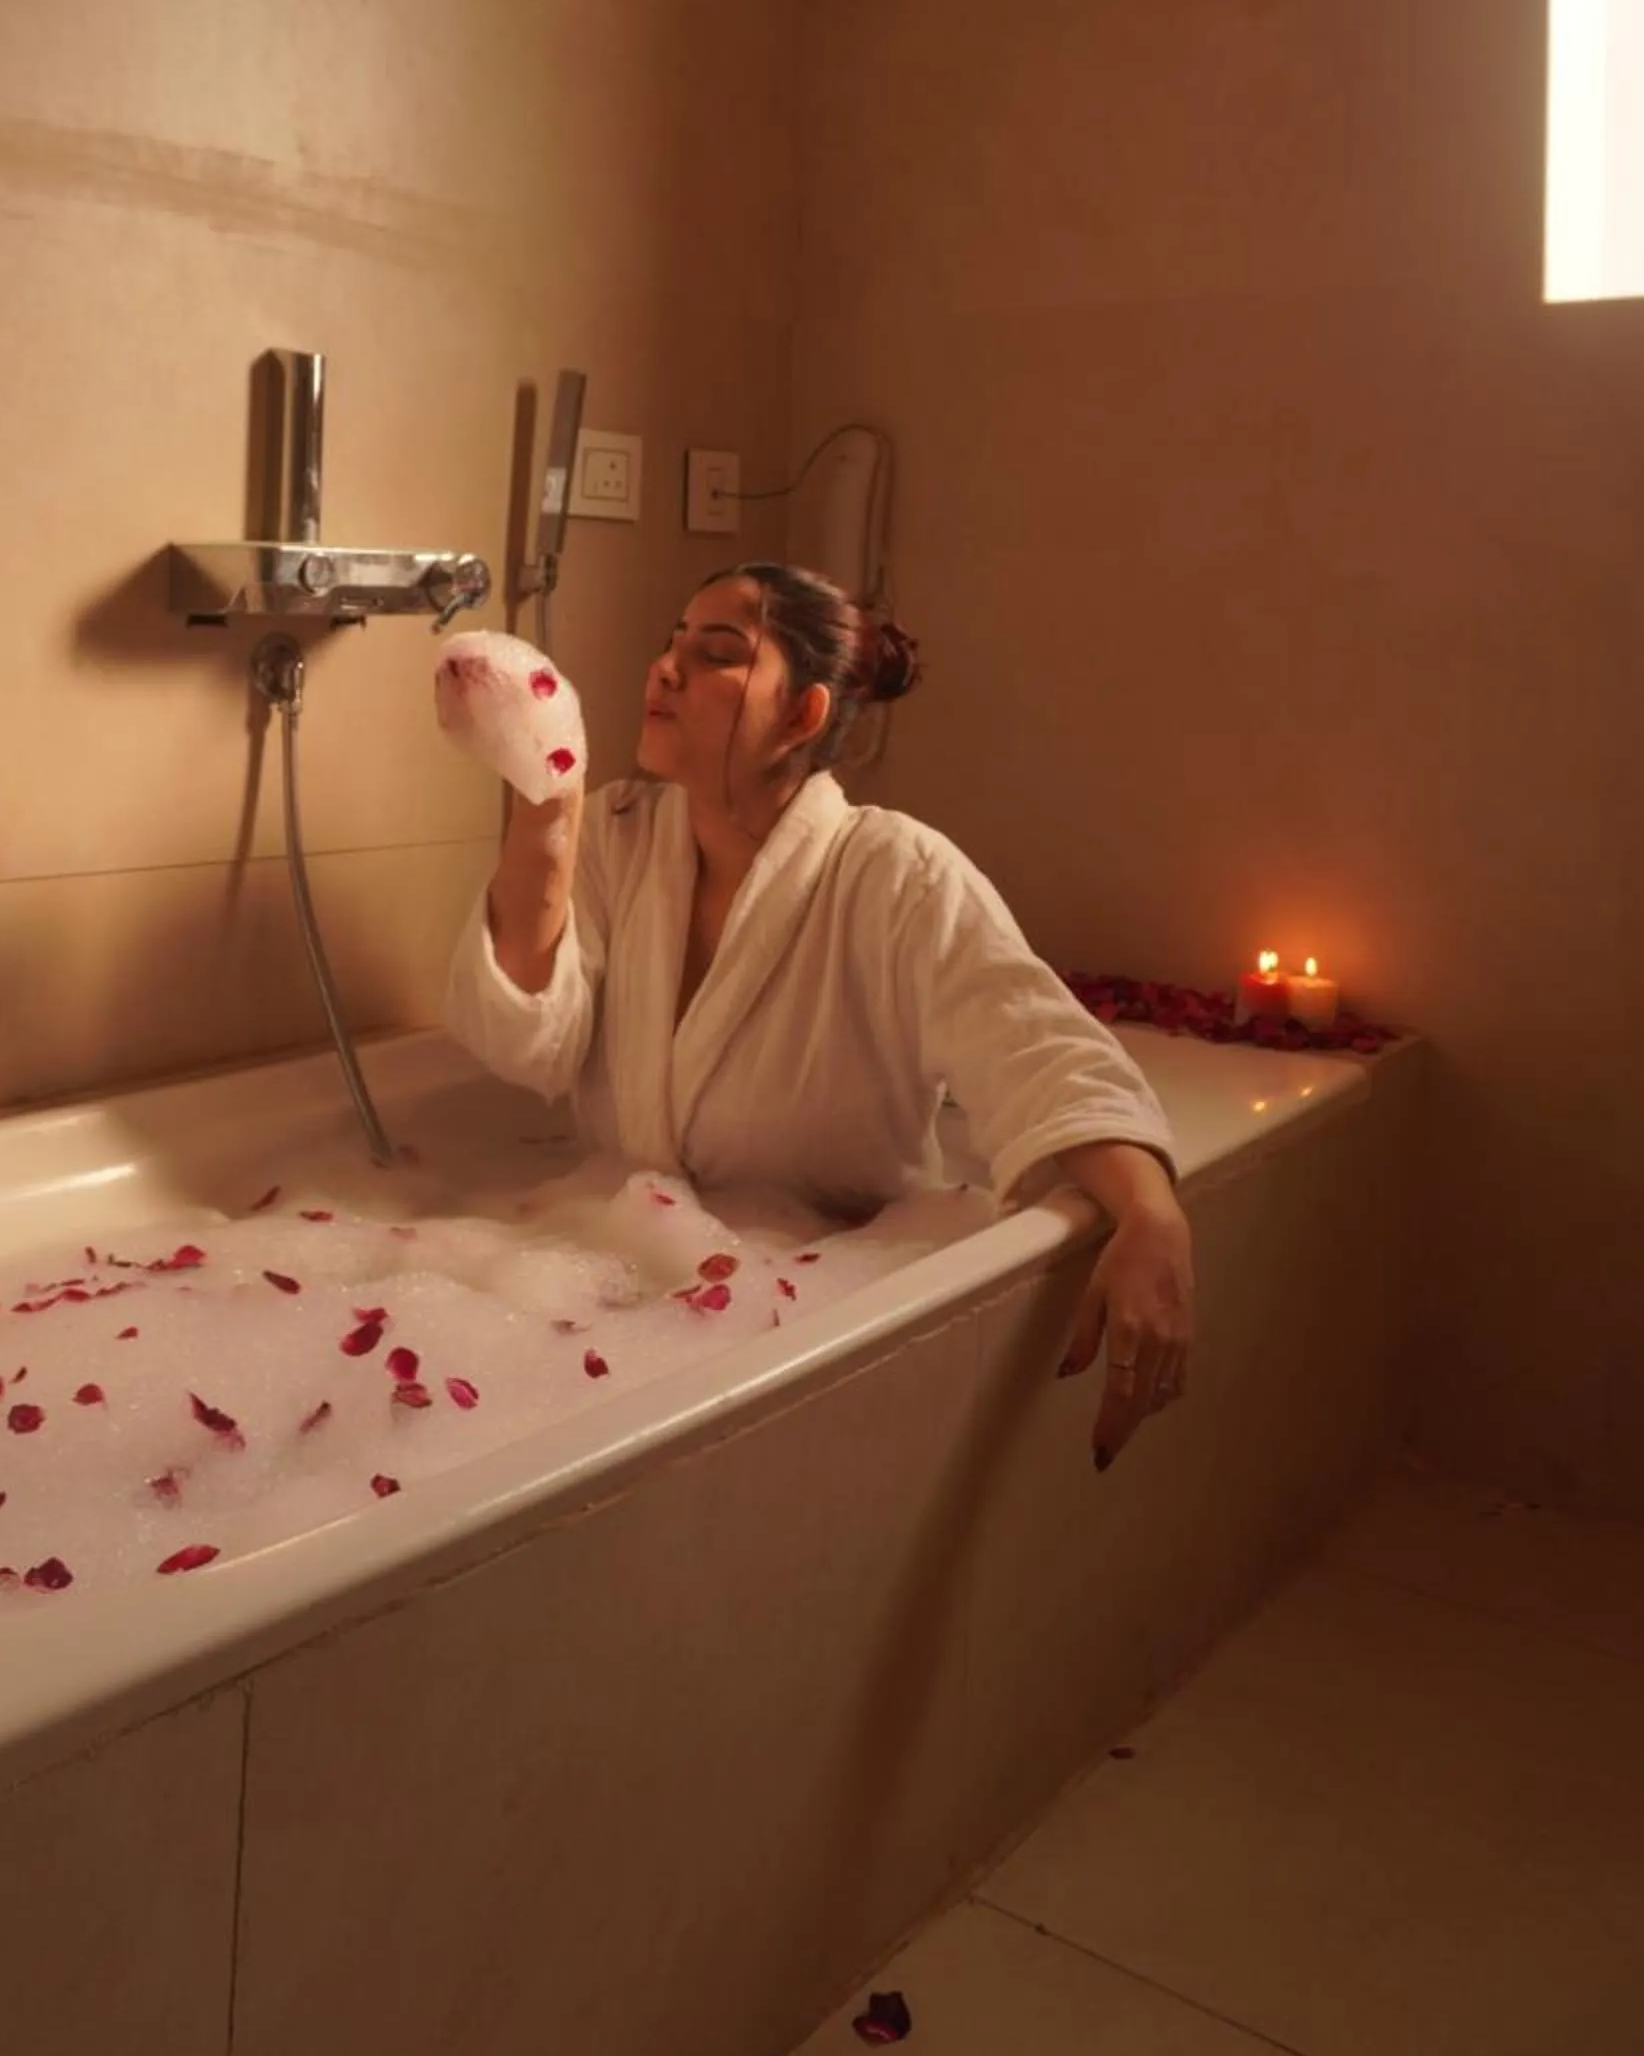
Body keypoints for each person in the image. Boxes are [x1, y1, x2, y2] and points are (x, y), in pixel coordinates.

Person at [444, 563, 1193, 1470]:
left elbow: (1036, 1047)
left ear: (802, 715)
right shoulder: (618, 832)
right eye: (670, 643)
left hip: (831, 1296)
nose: (665, 670)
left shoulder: (894, 873)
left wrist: (1151, 1214)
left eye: (716, 654)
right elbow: (530, 1042)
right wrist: (546, 811)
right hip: (620, 1269)